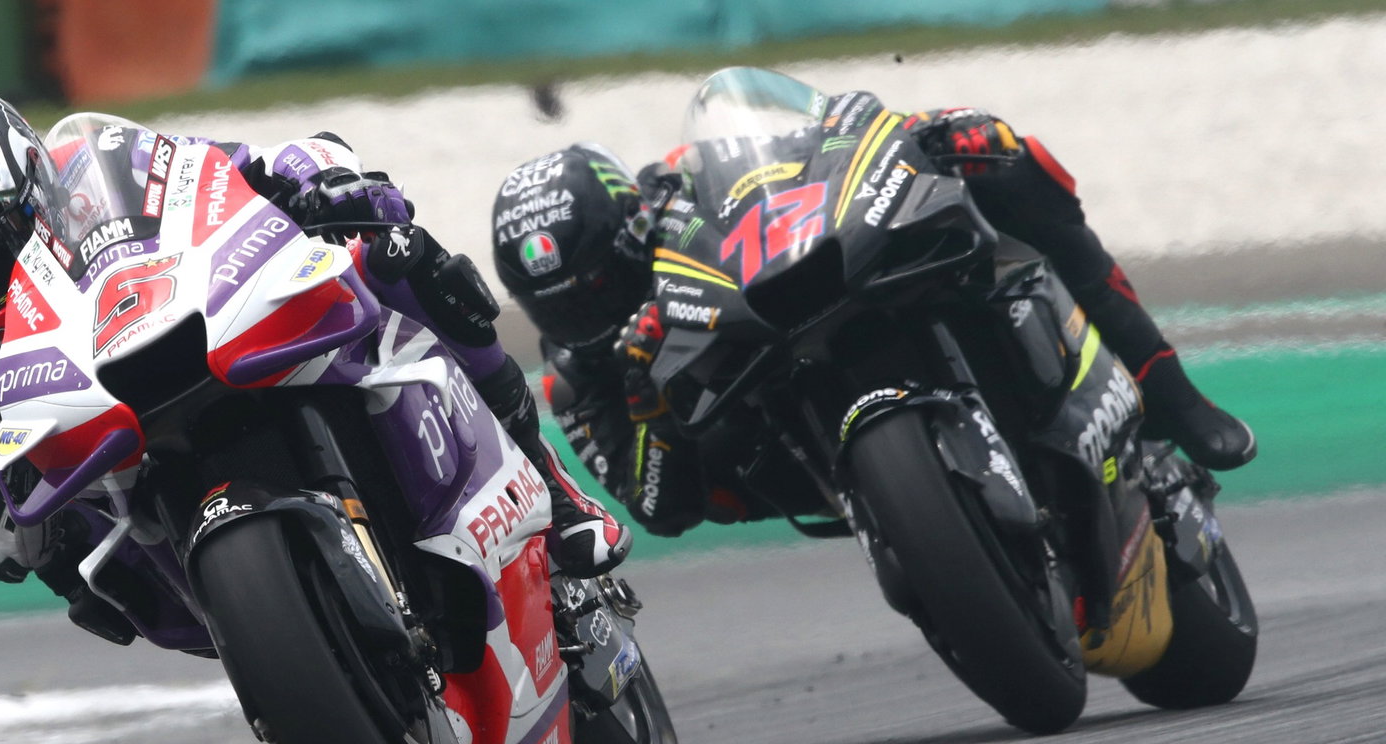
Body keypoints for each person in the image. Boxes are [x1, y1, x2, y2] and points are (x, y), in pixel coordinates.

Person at [0, 92, 628, 643]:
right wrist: (0, 508)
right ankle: (279, 643)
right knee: (68, 562)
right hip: (102, 471)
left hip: (177, 329)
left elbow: (227, 172)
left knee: (392, 254)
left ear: (36, 192)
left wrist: (320, 179)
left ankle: (550, 484)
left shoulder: (95, 168)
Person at [489, 107, 1257, 539]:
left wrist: (931, 130)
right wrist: (647, 395)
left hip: (782, 306)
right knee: (708, 460)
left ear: (631, 228)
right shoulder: (576, 379)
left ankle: (1170, 391)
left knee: (1005, 163)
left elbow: (802, 143)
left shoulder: (677, 192)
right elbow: (658, 508)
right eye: (560, 306)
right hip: (769, 454)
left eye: (600, 286)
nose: (587, 314)